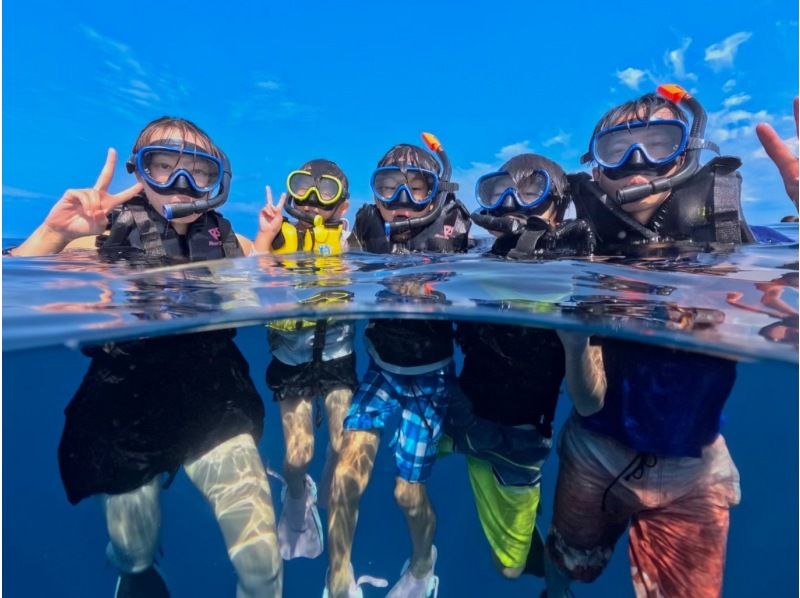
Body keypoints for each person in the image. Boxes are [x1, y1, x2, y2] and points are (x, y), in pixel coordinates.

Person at [10, 117, 282, 597]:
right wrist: (51, 235)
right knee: (135, 554)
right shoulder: (98, 240)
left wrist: (266, 246)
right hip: (124, 410)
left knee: (263, 566)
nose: (181, 184)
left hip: (215, 399)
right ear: (140, 174)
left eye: (198, 171)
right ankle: (133, 573)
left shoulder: (228, 241)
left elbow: (269, 284)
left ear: (218, 181)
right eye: (163, 166)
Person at [544, 87, 747, 597]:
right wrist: (574, 341)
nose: (639, 164)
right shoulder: (579, 256)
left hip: (695, 467)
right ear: (596, 170)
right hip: (594, 450)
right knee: (574, 563)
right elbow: (589, 400)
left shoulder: (732, 242)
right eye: (619, 151)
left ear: (687, 154)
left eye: (660, 143)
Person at [325, 134, 470, 598]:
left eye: (417, 187)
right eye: (389, 186)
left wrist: (437, 287)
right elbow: (337, 266)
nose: (401, 200)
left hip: (430, 379)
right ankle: (337, 575)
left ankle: (424, 565)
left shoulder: (455, 227)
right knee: (345, 476)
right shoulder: (366, 225)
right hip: (381, 371)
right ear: (375, 193)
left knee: (407, 495)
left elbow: (478, 275)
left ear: (437, 192)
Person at [443, 153, 595, 580]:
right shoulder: (476, 262)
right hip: (459, 416)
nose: (512, 204)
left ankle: (550, 573)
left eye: (532, 193)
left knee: (508, 569)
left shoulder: (579, 271)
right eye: (500, 192)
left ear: (559, 208)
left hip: (517, 443)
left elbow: (591, 399)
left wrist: (577, 337)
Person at [253, 160, 357, 562]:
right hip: (291, 357)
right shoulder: (279, 235)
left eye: (325, 191)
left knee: (340, 443)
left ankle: (330, 507)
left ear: (342, 206)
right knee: (298, 455)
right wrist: (265, 235)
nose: (312, 201)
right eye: (303, 188)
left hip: (337, 354)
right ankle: (296, 493)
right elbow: (253, 268)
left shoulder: (350, 241)